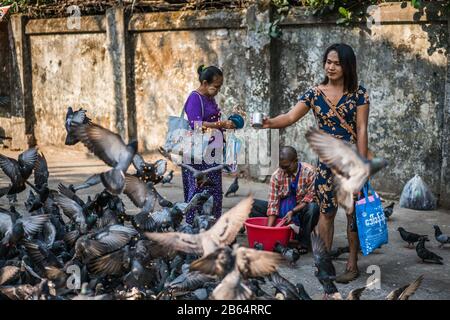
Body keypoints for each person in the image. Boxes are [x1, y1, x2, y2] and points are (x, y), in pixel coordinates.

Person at [259, 43, 370, 283]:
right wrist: (269, 123)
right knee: (326, 213)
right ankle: (324, 263)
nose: (330, 67)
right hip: (325, 166)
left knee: (352, 215)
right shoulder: (314, 93)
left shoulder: (359, 94)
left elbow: (361, 130)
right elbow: (290, 116)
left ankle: (352, 264)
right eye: (328, 62)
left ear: (347, 66)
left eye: (336, 63)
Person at [181, 65, 236, 225]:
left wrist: (226, 124)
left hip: (212, 151)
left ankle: (212, 225)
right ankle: (194, 227)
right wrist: (221, 124)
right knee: (199, 191)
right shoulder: (194, 98)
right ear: (205, 83)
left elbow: (212, 120)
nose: (218, 90)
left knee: (214, 191)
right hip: (197, 153)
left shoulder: (209, 98)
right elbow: (196, 125)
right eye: (216, 86)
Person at [250, 146, 319, 252]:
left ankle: (303, 242)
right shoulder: (276, 176)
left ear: (296, 161)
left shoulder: (309, 172)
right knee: (251, 205)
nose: (284, 171)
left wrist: (293, 211)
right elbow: (273, 204)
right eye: (282, 167)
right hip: (282, 212)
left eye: (287, 167)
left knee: (313, 208)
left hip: (299, 211)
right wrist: (269, 231)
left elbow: (309, 198)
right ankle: (282, 231)